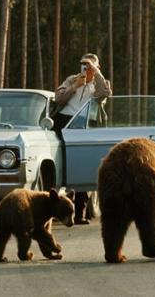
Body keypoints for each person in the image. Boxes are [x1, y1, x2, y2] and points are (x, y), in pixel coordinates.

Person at [52, 53, 112, 225]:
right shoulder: (71, 79)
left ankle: (80, 213)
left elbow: (105, 93)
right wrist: (76, 85)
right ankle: (55, 208)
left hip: (87, 125)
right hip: (65, 122)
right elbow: (58, 98)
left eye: (90, 64)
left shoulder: (101, 82)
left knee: (83, 166)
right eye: (83, 64)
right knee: (62, 165)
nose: (86, 67)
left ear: (97, 66)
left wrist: (96, 73)